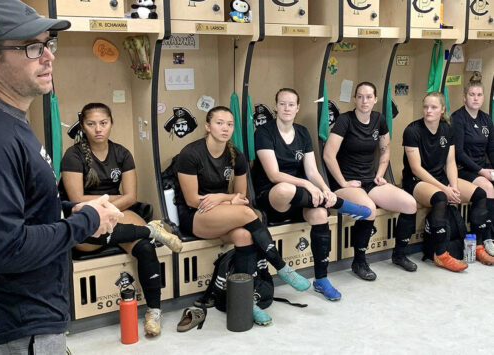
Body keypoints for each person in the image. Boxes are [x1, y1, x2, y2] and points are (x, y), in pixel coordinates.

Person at [0, 1, 123, 352]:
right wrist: (84, 221)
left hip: (28, 320)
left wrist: (74, 210)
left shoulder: (5, 119)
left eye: (48, 43)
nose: (48, 57)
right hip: (15, 328)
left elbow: (24, 206)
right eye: (31, 47)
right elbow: (3, 251)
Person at [176, 106, 310, 325]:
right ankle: (281, 266)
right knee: (248, 213)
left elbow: (241, 195)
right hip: (195, 216)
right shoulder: (191, 154)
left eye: (229, 124)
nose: (225, 128)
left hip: (221, 212)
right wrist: (226, 198)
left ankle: (247, 301)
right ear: (208, 126)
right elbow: (192, 199)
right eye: (219, 123)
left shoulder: (235, 154)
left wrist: (222, 198)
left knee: (244, 236)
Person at [60, 102, 183, 336]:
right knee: (115, 229)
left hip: (113, 211)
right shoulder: (73, 155)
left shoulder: (122, 153)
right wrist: (108, 203)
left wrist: (107, 206)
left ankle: (154, 312)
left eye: (103, 123)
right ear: (82, 126)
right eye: (91, 124)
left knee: (145, 249)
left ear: (111, 124)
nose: (98, 129)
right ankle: (151, 230)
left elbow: (130, 197)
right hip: (83, 219)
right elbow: (77, 200)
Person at [252, 88, 371, 301]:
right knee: (285, 188)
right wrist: (308, 185)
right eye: (282, 104)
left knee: (320, 215)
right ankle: (341, 205)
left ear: (298, 108)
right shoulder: (263, 132)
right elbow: (273, 174)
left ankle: (321, 279)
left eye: (291, 104)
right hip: (273, 197)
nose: (287, 108)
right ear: (275, 107)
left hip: (303, 196)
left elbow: (312, 170)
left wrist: (325, 189)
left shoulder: (303, 132)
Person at [323, 82, 419, 281]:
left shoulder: (379, 119)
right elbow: (328, 155)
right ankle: (359, 261)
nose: (364, 101)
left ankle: (399, 254)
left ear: (375, 99)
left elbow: (385, 149)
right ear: (355, 99)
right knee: (369, 209)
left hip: (370, 180)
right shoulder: (344, 120)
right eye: (360, 96)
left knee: (409, 204)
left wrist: (380, 173)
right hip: (346, 183)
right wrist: (343, 182)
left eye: (368, 97)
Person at [402, 91, 492, 272]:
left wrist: (455, 187)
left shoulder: (447, 129)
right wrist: (445, 188)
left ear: (442, 109)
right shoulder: (412, 130)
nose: (428, 111)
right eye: (426, 107)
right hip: (416, 181)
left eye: (434, 107)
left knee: (480, 193)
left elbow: (450, 162)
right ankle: (440, 254)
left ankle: (479, 247)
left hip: (440, 179)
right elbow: (416, 169)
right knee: (441, 198)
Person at [451, 72, 494, 264]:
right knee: (487, 187)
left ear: (484, 97)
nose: (475, 98)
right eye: (472, 94)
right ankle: (486, 237)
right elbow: (458, 153)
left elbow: (491, 150)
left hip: (482, 167)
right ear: (465, 96)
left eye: (479, 95)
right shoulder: (458, 118)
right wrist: (482, 171)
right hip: (463, 169)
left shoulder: (486, 120)